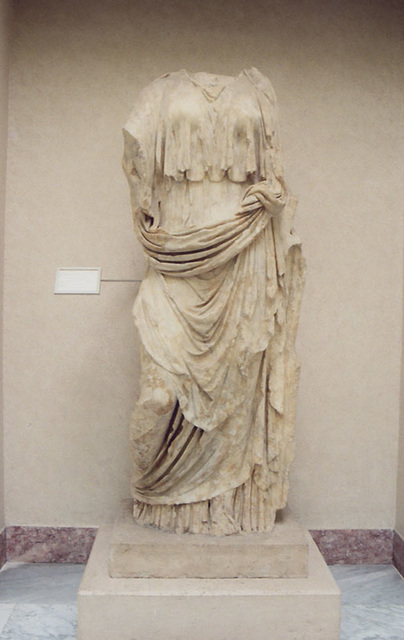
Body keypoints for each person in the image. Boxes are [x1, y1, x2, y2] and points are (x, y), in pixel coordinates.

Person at [122, 68, 305, 535]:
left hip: (243, 257)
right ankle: (156, 494)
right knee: (157, 397)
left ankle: (222, 508)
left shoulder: (260, 91)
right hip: (175, 257)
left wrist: (274, 199)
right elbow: (135, 165)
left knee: (236, 392)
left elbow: (279, 182)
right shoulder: (159, 91)